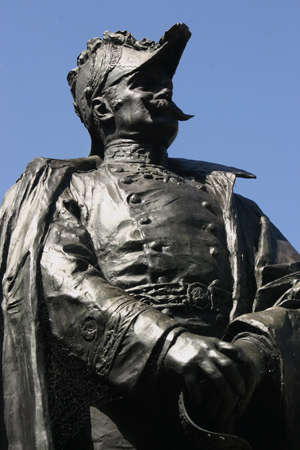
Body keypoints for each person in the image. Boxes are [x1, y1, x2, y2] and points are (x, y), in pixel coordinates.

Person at [1, 24, 300, 450]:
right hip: (115, 414)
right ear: (103, 109)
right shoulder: (61, 192)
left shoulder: (238, 208)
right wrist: (167, 345)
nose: (164, 93)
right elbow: (60, 281)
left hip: (228, 408)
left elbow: (293, 288)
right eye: (145, 84)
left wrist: (254, 349)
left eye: (167, 84)